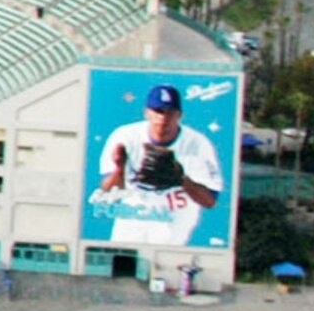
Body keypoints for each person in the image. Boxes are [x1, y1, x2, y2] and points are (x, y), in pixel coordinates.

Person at [91, 83, 225, 246]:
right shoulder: (125, 137)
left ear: (179, 115)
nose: (163, 118)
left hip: (175, 217)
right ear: (146, 112)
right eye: (158, 111)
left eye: (169, 112)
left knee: (165, 258)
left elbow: (210, 201)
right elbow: (109, 190)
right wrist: (120, 169)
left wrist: (182, 180)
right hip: (133, 215)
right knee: (122, 258)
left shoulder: (198, 144)